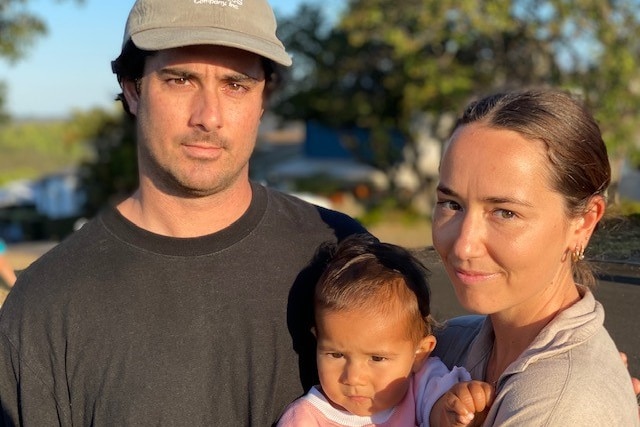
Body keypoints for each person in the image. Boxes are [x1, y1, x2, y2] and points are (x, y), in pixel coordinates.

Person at [0, 0, 369, 425]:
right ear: (134, 89)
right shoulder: (46, 305)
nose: (208, 117)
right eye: (181, 79)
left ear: (263, 97)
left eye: (236, 85)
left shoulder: (344, 258)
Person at [430, 88, 640, 425]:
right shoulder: (446, 346)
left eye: (505, 213)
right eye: (451, 204)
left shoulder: (564, 405)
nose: (463, 246)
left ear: (583, 223)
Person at [277, 234, 493, 427]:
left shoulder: (420, 387)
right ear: (318, 341)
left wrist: (459, 409)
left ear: (419, 352)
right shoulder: (306, 418)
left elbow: (441, 414)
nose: (354, 378)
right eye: (336, 355)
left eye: (377, 358)